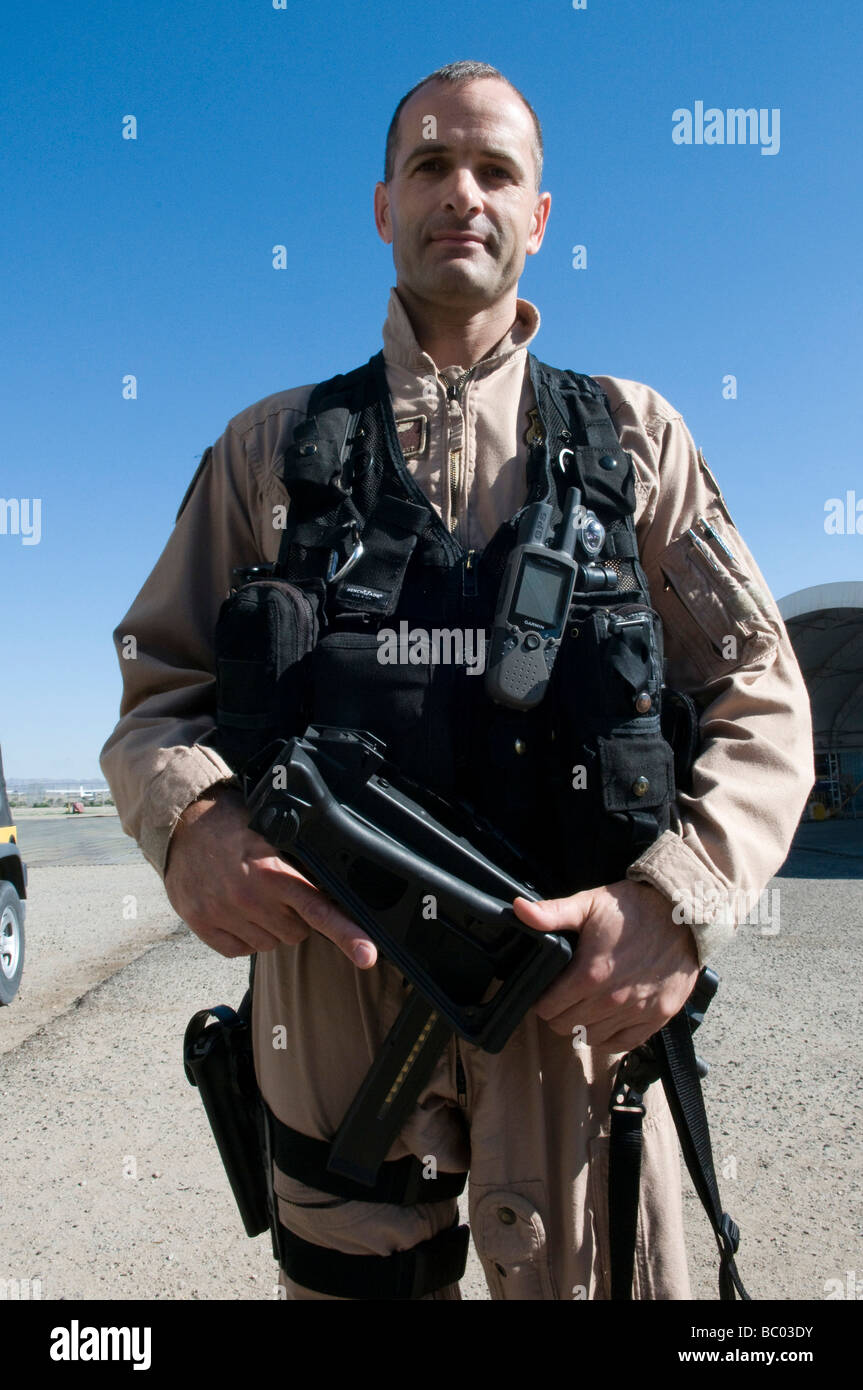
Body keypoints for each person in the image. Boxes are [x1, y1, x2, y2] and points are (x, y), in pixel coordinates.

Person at [100, 60, 814, 1300]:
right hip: (333, 992)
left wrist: (676, 899)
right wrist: (194, 824)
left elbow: (763, 694)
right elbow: (157, 681)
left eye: (496, 171)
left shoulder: (635, 440)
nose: (461, 193)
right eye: (430, 165)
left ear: (540, 218)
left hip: (567, 991)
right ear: (382, 204)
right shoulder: (268, 451)